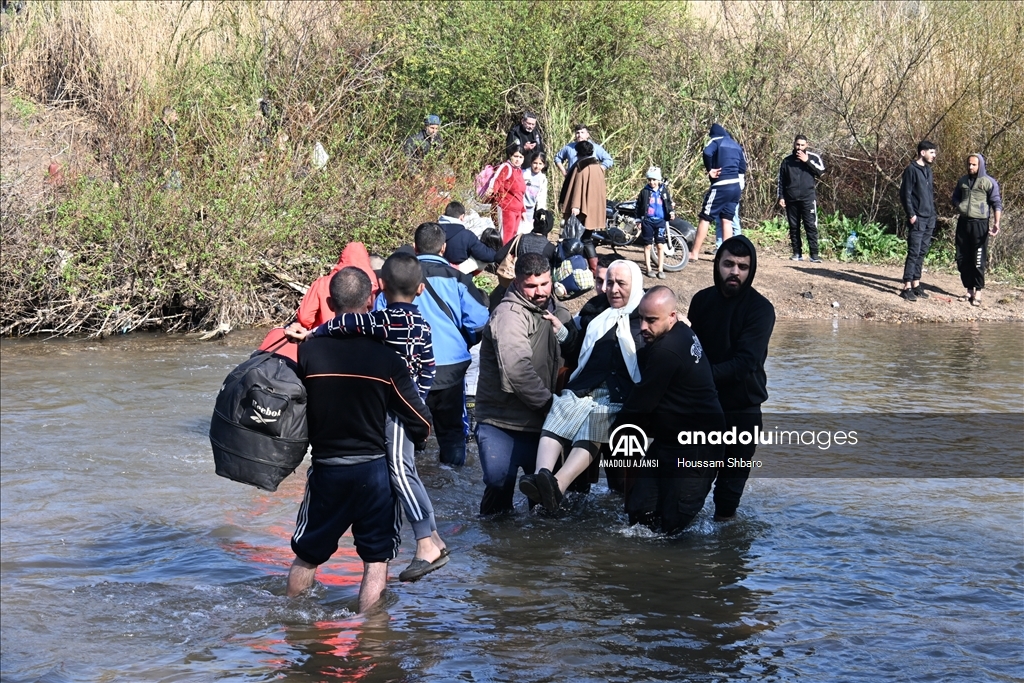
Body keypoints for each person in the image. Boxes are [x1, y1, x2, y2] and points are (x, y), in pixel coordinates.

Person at [286, 253, 449, 582]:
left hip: (395, 409)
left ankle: (425, 544)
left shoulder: (384, 321)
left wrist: (314, 335)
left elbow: (349, 323)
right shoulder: (422, 323)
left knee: (401, 472)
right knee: (406, 472)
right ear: (421, 289)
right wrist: (420, 395)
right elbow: (430, 367)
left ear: (381, 287)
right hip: (410, 400)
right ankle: (432, 538)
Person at [519, 260, 645, 513]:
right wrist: (563, 333)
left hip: (618, 393)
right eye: (610, 283)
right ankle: (540, 475)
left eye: (621, 284)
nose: (613, 289)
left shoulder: (646, 317)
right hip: (586, 386)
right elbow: (580, 351)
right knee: (561, 407)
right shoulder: (595, 311)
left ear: (636, 285)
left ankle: (557, 485)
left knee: (596, 420)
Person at [616, 286, 726, 533]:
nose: (643, 327)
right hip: (670, 440)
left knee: (672, 526)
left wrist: (613, 435)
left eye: (651, 320)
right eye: (640, 318)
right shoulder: (681, 333)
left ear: (672, 316)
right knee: (639, 514)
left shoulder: (667, 350)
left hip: (699, 447)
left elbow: (639, 404)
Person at [474, 252, 577, 515]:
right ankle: (494, 550)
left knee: (546, 506)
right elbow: (517, 370)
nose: (539, 291)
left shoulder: (552, 311)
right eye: (531, 286)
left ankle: (537, 556)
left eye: (544, 284)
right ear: (517, 283)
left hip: (539, 425)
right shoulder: (509, 315)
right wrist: (551, 406)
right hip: (502, 422)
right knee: (498, 489)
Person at [687, 236, 775, 521]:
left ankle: (727, 553)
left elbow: (745, 362)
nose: (735, 272)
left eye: (742, 266)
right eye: (728, 264)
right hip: (702, 407)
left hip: (742, 409)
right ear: (717, 265)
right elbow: (691, 351)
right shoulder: (701, 301)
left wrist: (699, 377)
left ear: (751, 270)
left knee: (729, 492)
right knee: (689, 484)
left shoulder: (761, 309)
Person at [410, 223, 491, 467]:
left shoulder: (401, 277)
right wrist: (463, 341)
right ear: (443, 248)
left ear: (414, 248)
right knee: (452, 432)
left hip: (410, 368)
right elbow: (479, 322)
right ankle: (451, 472)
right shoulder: (459, 279)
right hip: (450, 367)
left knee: (408, 431)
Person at [952, 154, 1003, 307]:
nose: (970, 167)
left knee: (978, 259)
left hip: (980, 224)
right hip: (963, 223)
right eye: (969, 164)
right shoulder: (962, 181)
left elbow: (996, 203)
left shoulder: (989, 182)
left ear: (980, 165)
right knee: (962, 258)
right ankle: (969, 290)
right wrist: (959, 205)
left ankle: (978, 291)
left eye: (974, 165)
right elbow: (955, 197)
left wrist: (997, 223)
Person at [690, 123, 747, 261]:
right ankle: (725, 256)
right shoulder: (736, 145)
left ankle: (694, 253)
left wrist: (710, 169)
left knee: (706, 217)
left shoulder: (716, 140)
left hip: (721, 185)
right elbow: (743, 168)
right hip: (735, 188)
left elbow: (707, 152)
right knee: (727, 220)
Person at [296, 242, 380, 331]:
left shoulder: (323, 283)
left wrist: (312, 331)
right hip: (361, 336)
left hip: (325, 335)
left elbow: (304, 317)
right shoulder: (373, 285)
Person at [559, 139, 607, 277]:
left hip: (581, 210)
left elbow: (578, 187)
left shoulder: (582, 166)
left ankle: (576, 268)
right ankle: (593, 268)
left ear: (578, 152)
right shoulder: (597, 167)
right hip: (593, 210)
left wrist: (575, 206)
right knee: (586, 239)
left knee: (576, 240)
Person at [898, 140, 938, 301]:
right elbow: (905, 194)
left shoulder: (928, 170)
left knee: (922, 251)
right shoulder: (911, 170)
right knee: (914, 251)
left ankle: (916, 283)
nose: (934, 155)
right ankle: (907, 285)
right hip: (917, 217)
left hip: (929, 217)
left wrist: (933, 214)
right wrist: (911, 214)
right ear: (923, 152)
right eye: (932, 152)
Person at [777, 134, 826, 262]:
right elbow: (781, 180)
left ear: (807, 145)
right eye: (797, 144)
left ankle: (814, 255)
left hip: (808, 198)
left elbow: (821, 172)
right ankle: (797, 253)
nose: (799, 147)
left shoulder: (813, 158)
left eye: (802, 145)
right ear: (794, 144)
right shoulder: (786, 161)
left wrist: (807, 161)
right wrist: (781, 196)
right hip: (791, 199)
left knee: (810, 226)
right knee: (794, 226)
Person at [635, 166, 676, 279]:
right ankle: (648, 268)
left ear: (659, 180)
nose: (652, 182)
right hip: (648, 221)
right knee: (648, 245)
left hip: (661, 222)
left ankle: (660, 269)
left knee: (660, 245)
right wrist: (638, 220)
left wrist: (671, 212)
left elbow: (668, 203)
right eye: (650, 180)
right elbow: (638, 206)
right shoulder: (644, 191)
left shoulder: (664, 191)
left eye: (654, 179)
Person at [438, 201, 497, 271]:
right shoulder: (467, 236)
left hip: (429, 272)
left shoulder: (431, 230)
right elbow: (488, 256)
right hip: (457, 276)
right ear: (462, 217)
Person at [490, 146, 527, 244]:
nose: (518, 159)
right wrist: (493, 195)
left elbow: (520, 193)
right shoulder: (506, 167)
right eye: (516, 156)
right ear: (510, 156)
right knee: (505, 237)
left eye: (520, 157)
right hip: (506, 208)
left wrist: (522, 210)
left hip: (517, 210)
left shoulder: (519, 171)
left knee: (513, 236)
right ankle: (502, 258)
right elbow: (496, 182)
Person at [520, 152, 549, 235]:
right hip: (521, 207)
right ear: (531, 163)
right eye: (535, 163)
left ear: (544, 165)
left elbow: (542, 197)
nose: (537, 166)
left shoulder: (542, 179)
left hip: (531, 209)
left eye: (540, 164)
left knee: (528, 231)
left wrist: (541, 213)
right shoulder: (524, 174)